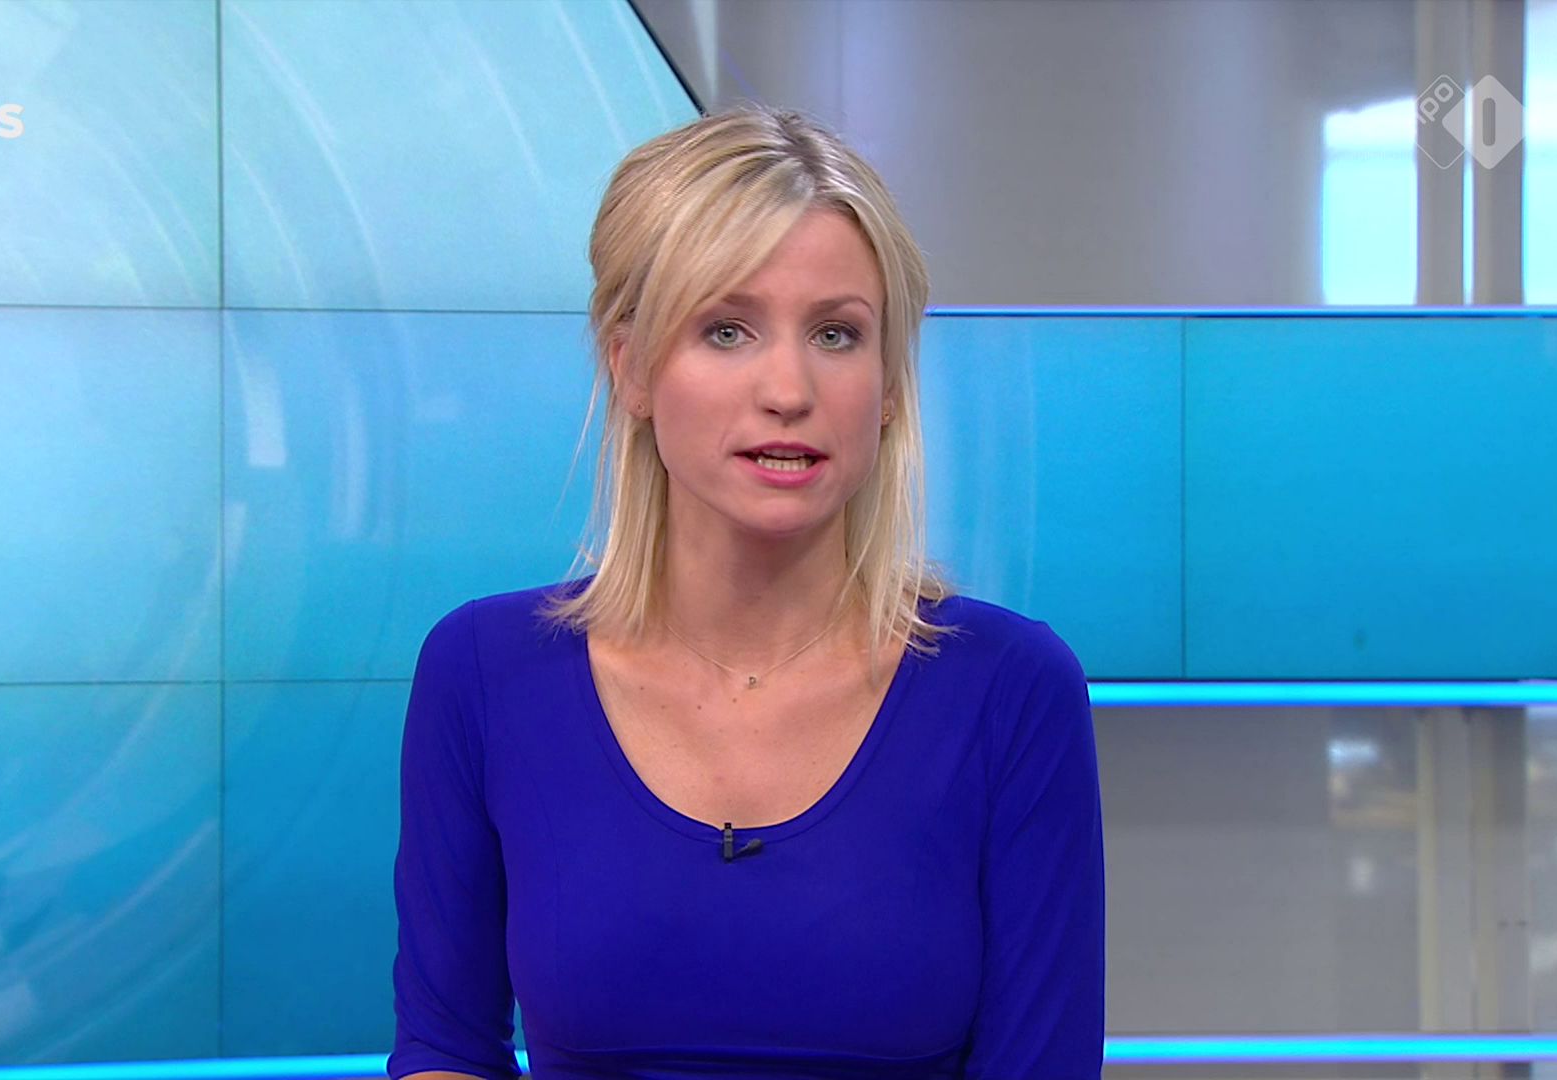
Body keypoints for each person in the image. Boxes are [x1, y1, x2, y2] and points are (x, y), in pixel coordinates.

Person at [388, 104, 1103, 1080]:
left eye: (837, 334)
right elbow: (445, 1048)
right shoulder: (482, 673)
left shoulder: (1012, 691)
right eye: (727, 329)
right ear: (631, 366)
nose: (789, 390)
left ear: (891, 385)